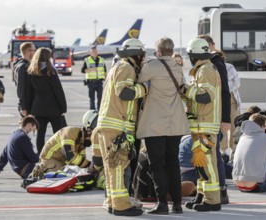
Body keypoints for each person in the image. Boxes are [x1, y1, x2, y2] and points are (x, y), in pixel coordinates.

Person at [137, 37, 190, 215]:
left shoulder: (152, 66)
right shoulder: (177, 67)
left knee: (157, 165)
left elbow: (138, 82)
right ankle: (176, 203)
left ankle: (161, 204)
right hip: (174, 123)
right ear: (171, 50)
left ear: (158, 51)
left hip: (155, 124)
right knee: (173, 163)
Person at [95, 38, 147, 216]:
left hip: (108, 124)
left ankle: (112, 201)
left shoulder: (116, 67)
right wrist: (144, 88)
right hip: (117, 125)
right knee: (118, 165)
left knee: (111, 166)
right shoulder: (126, 68)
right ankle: (120, 205)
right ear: (137, 55)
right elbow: (125, 93)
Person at [180, 37, 222, 212]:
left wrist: (185, 89)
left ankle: (212, 200)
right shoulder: (201, 70)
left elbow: (205, 96)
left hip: (205, 126)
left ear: (194, 55)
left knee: (208, 165)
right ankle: (202, 195)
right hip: (200, 125)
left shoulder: (205, 70)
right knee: (200, 163)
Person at [199, 34, 231, 204]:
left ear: (212, 45)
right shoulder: (206, 62)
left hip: (216, 116)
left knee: (215, 154)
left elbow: (225, 91)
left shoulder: (216, 63)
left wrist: (226, 118)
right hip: (208, 116)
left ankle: (222, 191)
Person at [32, 110, 97, 178]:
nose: (91, 141)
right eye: (91, 139)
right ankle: (42, 172)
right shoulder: (70, 132)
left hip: (60, 161)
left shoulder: (81, 143)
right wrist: (90, 164)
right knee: (66, 177)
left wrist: (91, 168)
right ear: (88, 132)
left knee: (79, 174)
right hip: (49, 159)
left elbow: (81, 161)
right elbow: (70, 155)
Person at [26, 47, 67, 153]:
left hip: (38, 109)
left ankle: (41, 156)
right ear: (48, 57)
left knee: (40, 135)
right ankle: (59, 154)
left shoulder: (31, 72)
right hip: (54, 109)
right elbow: (58, 91)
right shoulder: (51, 72)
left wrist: (29, 110)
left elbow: (29, 93)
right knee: (58, 134)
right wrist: (63, 107)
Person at [0, 115, 39, 183]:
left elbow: (4, 155)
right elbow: (33, 158)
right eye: (33, 130)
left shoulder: (14, 134)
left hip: (22, 171)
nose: (33, 133)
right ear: (29, 125)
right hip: (28, 170)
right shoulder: (23, 138)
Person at [220, 58, 242, 160]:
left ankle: (233, 150)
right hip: (220, 100)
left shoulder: (229, 67)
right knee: (223, 126)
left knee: (234, 125)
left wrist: (225, 87)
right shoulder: (212, 68)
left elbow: (237, 82)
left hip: (232, 99)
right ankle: (222, 151)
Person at [13, 42, 36, 117]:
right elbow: (21, 87)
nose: (35, 52)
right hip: (27, 105)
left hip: (28, 104)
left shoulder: (20, 64)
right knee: (28, 128)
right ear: (27, 51)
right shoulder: (23, 66)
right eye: (34, 50)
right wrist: (23, 107)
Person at [81, 46, 107, 111]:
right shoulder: (87, 60)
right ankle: (92, 110)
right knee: (92, 98)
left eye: (96, 51)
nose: (95, 53)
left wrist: (107, 80)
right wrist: (90, 69)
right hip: (91, 82)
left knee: (100, 98)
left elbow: (105, 71)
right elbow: (82, 70)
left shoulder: (101, 59)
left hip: (99, 82)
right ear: (90, 53)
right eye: (93, 52)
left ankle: (100, 110)